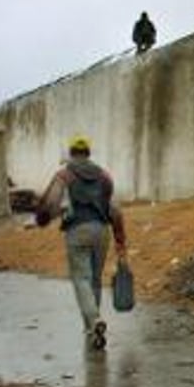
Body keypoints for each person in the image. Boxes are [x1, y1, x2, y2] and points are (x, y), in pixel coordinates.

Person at [35, 135, 128, 349]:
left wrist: (43, 217)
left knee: (81, 279)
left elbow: (51, 202)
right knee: (94, 280)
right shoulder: (104, 177)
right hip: (102, 232)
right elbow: (115, 211)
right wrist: (120, 243)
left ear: (71, 153)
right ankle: (92, 331)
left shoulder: (65, 175)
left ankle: (94, 320)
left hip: (78, 232)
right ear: (88, 153)